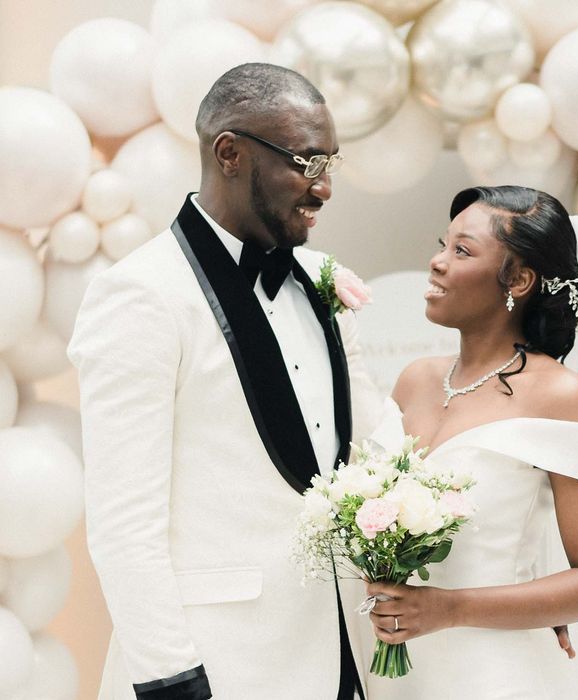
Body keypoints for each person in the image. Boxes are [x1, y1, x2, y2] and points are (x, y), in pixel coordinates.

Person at [68, 63, 381, 700]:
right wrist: (172, 682)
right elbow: (124, 524)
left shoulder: (319, 279)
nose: (323, 189)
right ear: (230, 153)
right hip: (219, 668)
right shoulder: (139, 296)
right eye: (306, 162)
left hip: (343, 657)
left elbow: (369, 443)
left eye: (331, 164)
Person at [362, 186, 578, 699]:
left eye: (462, 250)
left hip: (494, 674)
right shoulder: (414, 380)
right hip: (396, 671)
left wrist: (448, 608)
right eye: (443, 243)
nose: (436, 262)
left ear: (519, 280)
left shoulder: (562, 395)